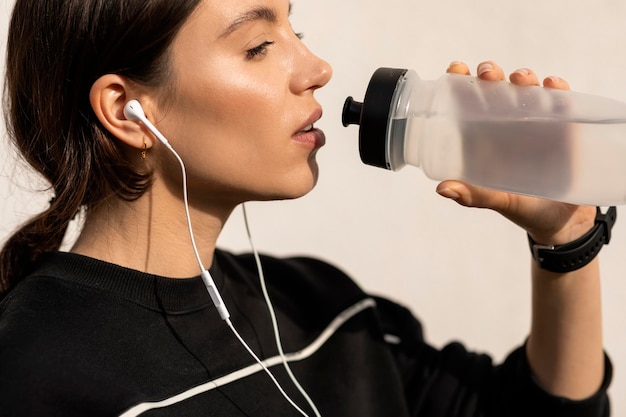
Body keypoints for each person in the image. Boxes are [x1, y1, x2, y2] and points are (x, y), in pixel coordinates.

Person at [0, 0, 613, 416]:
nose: (317, 70)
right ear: (128, 109)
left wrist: (568, 238)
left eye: (299, 31)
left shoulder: (322, 309)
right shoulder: (37, 377)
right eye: (260, 45)